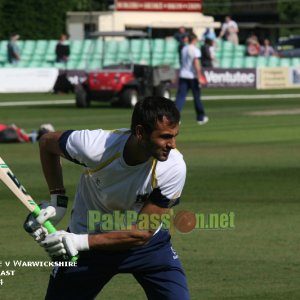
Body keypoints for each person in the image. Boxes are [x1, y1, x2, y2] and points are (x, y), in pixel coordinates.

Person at [24, 96, 190, 300]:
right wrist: (58, 199)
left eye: (174, 136)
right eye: (165, 137)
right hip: (87, 243)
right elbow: (47, 142)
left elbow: (142, 233)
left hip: (146, 247)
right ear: (140, 132)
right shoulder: (95, 147)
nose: (172, 145)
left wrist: (79, 242)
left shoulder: (173, 167)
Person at [175, 33, 208, 125]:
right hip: (192, 77)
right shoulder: (195, 50)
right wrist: (199, 76)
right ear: (194, 40)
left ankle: (175, 118)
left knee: (180, 98)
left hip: (183, 75)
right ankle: (200, 118)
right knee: (197, 97)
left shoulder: (184, 49)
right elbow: (196, 63)